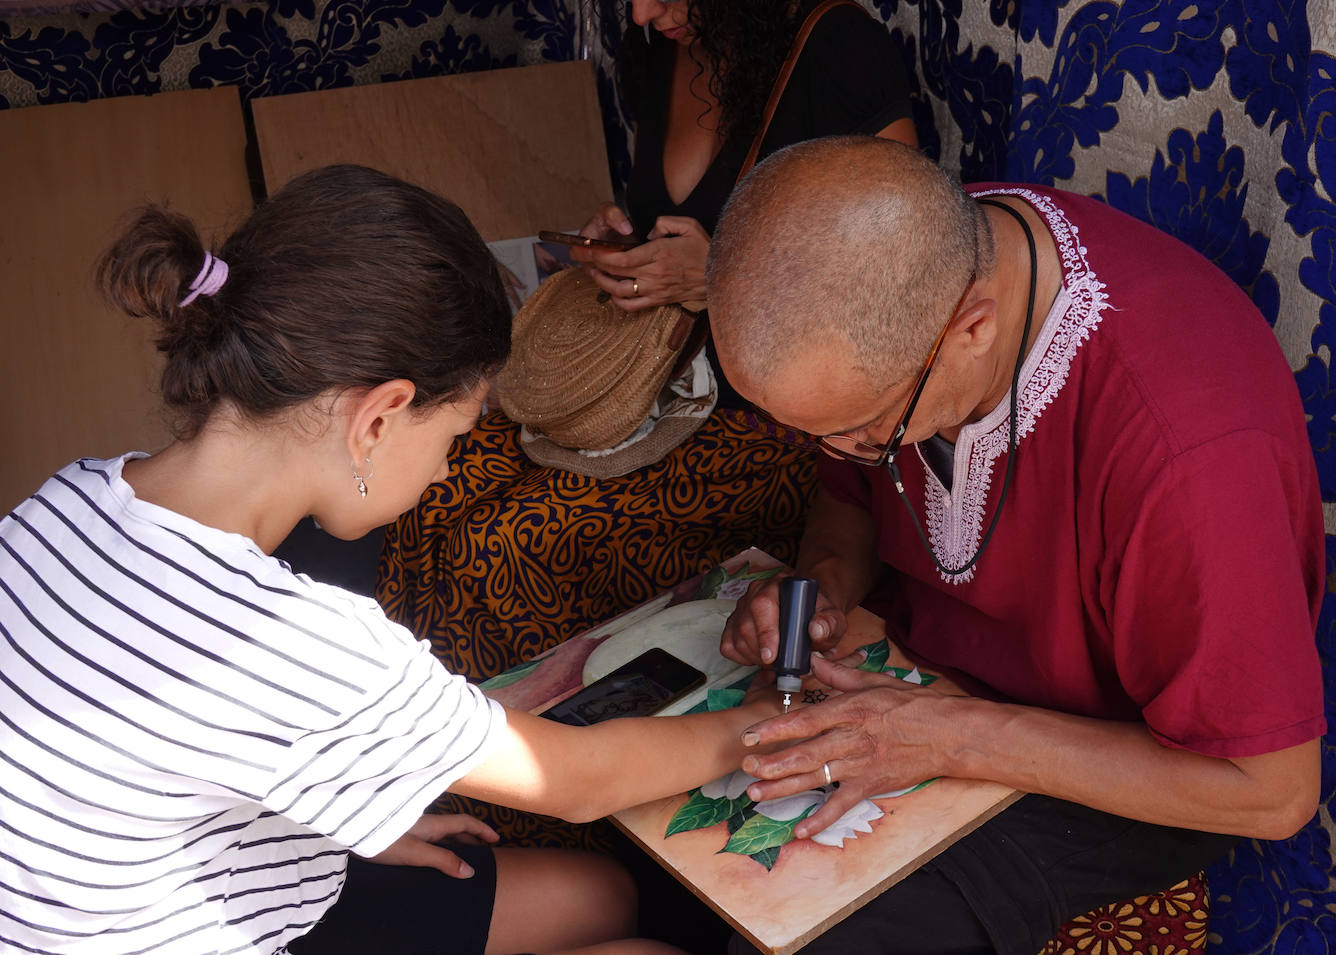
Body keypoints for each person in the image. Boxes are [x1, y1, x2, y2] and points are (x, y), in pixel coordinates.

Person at [0, 164, 780, 955]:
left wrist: (326, 822)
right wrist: (764, 722)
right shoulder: (290, 644)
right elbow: (575, 779)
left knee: (598, 896)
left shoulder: (68, 497)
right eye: (455, 435)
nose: (447, 468)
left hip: (156, 895)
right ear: (379, 417)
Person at [707, 137, 1325, 954]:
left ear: (973, 327)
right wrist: (823, 580)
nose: (844, 450)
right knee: (708, 870)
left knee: (829, 932)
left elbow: (1272, 792)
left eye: (866, 431)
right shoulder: (913, 265)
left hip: (1122, 765)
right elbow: (842, 500)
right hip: (930, 671)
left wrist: (954, 736)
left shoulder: (1188, 454)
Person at [376, 0, 921, 701]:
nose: (640, 11)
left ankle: (546, 796)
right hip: (664, 389)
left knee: (503, 546)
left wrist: (723, 275)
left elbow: (904, 272)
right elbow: (690, 222)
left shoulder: (837, 47)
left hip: (774, 430)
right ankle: (424, 769)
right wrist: (629, 246)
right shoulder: (671, 42)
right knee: (432, 491)